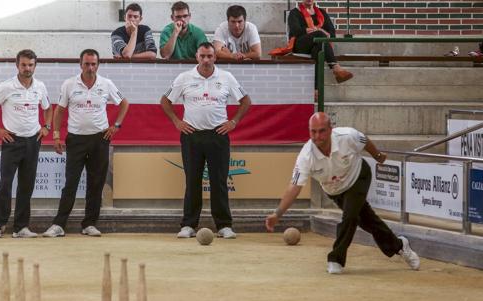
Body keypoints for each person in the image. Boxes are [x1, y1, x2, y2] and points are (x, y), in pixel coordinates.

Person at [265, 112, 420, 274]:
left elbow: (364, 141)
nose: (318, 136)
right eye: (313, 131)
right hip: (335, 190)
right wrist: (278, 213)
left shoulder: (347, 136)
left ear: (330, 129)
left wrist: (378, 156)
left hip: (358, 177)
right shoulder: (306, 156)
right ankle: (400, 246)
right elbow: (294, 186)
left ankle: (335, 258)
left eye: (322, 131)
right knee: (367, 221)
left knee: (350, 217)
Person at [160, 42, 252, 239]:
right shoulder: (184, 78)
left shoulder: (226, 77)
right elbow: (165, 101)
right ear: (197, 57)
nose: (206, 60)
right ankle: (188, 225)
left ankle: (224, 226)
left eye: (210, 56)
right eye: (202, 56)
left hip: (218, 135)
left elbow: (246, 101)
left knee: (219, 181)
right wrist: (177, 121)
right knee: (192, 181)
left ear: (215, 57)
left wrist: (233, 122)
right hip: (191, 136)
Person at [42, 49, 130, 238]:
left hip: (100, 139)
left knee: (96, 183)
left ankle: (89, 224)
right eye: (87, 64)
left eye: (93, 64)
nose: (90, 68)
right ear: (80, 64)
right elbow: (59, 111)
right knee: (71, 183)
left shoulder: (106, 84)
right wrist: (56, 136)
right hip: (76, 140)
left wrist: (116, 126)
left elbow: (124, 103)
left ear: (98, 65)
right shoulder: (69, 84)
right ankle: (58, 224)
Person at [0, 49, 53, 239]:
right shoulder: (6, 86)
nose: (27, 68)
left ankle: (21, 227)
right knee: (5, 183)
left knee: (26, 185)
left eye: (30, 65)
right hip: (12, 141)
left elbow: (48, 109)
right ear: (17, 65)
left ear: (35, 66)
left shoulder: (40, 86)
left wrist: (46, 127)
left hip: (33, 141)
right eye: (24, 65)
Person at [288, 0, 352, 84]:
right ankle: (335, 66)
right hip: (300, 45)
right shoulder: (294, 12)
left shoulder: (322, 12)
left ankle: (316, 90)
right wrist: (315, 31)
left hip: (318, 44)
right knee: (319, 34)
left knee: (318, 50)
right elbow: (296, 31)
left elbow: (332, 33)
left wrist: (319, 31)